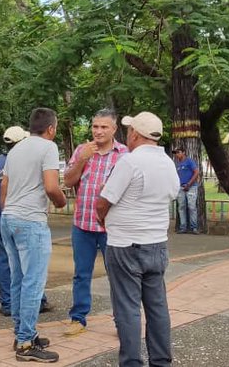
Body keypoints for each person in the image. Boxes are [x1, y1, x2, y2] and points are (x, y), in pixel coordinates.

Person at [95, 111, 179, 367]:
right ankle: (161, 361)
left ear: (134, 134)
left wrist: (104, 219)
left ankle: (131, 362)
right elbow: (172, 194)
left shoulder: (130, 162)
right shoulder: (167, 163)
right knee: (157, 307)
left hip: (125, 245)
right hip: (156, 243)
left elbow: (104, 202)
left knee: (128, 308)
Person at [0, 108, 67, 363]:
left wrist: (9, 211)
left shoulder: (17, 148)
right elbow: (51, 186)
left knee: (18, 278)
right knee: (34, 281)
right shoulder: (48, 147)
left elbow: (4, 185)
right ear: (50, 128)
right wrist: (61, 201)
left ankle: (21, 334)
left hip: (10, 219)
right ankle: (26, 344)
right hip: (30, 221)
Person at [61, 109, 128, 337]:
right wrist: (81, 160)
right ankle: (78, 317)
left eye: (104, 127)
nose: (98, 131)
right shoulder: (82, 150)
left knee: (117, 275)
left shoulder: (124, 154)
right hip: (82, 224)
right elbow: (68, 181)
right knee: (81, 273)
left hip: (111, 228)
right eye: (95, 126)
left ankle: (122, 321)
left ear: (114, 129)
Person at [0, 126, 52, 317]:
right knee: (30, 264)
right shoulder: (30, 162)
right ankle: (37, 301)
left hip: (0, 222)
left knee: (4, 263)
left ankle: (7, 303)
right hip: (25, 219)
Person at [173, 146, 201, 234]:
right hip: (181, 187)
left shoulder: (189, 161)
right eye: (176, 153)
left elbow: (196, 172)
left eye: (179, 152)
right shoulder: (177, 163)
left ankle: (194, 227)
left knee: (191, 207)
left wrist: (189, 184)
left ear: (184, 152)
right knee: (181, 207)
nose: (177, 154)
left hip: (191, 187)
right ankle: (183, 227)